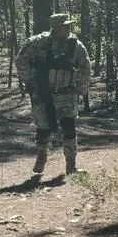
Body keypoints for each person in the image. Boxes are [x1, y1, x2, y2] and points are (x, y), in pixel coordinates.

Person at [15, 12, 91, 178]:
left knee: (69, 128)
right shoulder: (37, 43)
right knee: (43, 128)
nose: (68, 28)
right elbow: (21, 60)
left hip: (67, 94)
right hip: (43, 94)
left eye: (68, 25)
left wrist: (81, 89)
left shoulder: (75, 45)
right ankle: (41, 156)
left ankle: (71, 165)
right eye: (64, 26)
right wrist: (31, 80)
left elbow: (85, 66)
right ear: (56, 27)